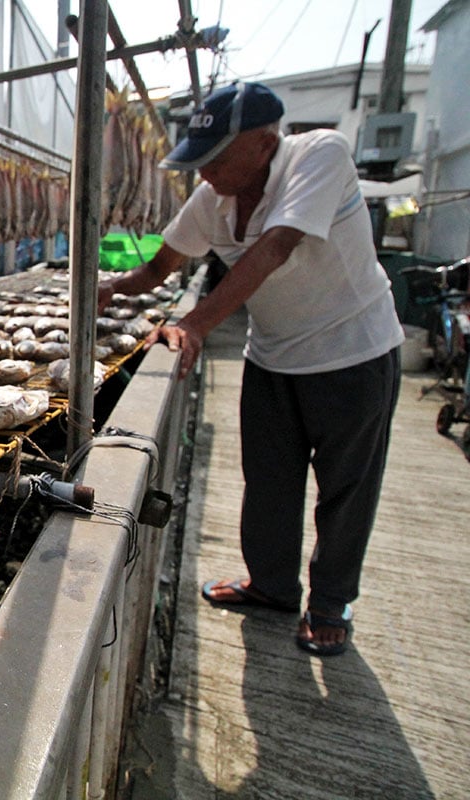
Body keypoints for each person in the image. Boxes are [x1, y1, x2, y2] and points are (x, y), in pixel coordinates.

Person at [97, 81, 403, 656]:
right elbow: (162, 265)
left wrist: (195, 325)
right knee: (268, 481)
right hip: (272, 356)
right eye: (199, 161)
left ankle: (331, 602)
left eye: (215, 158)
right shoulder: (213, 198)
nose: (205, 173)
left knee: (345, 488)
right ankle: (272, 586)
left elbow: (275, 248)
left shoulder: (320, 155)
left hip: (353, 354)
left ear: (264, 144)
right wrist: (110, 289)